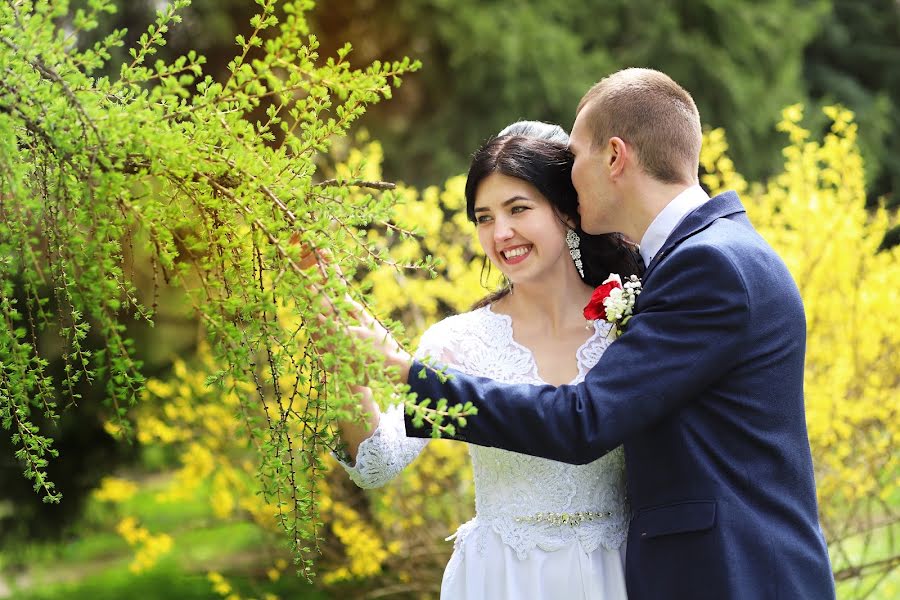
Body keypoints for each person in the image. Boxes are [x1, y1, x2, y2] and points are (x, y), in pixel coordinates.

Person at [349, 69, 836, 598]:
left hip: (731, 576)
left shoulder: (705, 267)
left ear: (614, 157)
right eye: (484, 217)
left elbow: (583, 422)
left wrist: (407, 373)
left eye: (576, 155)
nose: (571, 173)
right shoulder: (697, 259)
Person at [334, 120, 643, 599]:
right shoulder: (459, 342)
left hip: (619, 575)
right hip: (504, 579)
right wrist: (347, 367)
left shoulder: (630, 325)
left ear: (565, 210)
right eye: (483, 217)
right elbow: (377, 463)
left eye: (519, 208)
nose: (501, 233)